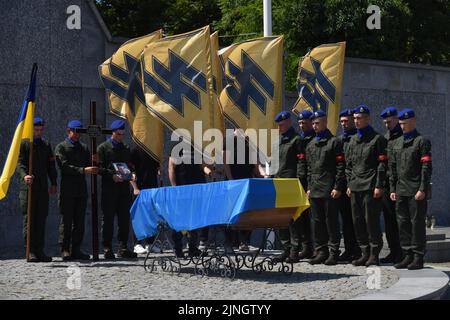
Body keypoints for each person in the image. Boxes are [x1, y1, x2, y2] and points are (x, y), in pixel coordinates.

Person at [389, 108, 432, 270]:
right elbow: (393, 168)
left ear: (413, 121)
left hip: (416, 191)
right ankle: (407, 255)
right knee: (403, 223)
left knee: (417, 224)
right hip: (400, 190)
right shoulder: (397, 143)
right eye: (400, 124)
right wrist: (393, 188)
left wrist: (423, 188)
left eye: (405, 123)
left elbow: (426, 167)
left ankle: (418, 257)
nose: (403, 126)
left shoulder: (421, 141)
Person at [346, 105, 387, 266]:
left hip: (370, 186)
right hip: (355, 186)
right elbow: (349, 165)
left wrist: (379, 185)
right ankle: (364, 252)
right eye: (355, 118)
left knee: (371, 220)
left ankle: (374, 254)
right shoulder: (352, 140)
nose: (356, 121)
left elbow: (382, 165)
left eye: (359, 118)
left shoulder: (377, 139)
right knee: (358, 221)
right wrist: (349, 183)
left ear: (368, 119)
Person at [305, 110, 345, 265]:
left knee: (331, 222)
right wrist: (309, 187)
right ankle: (321, 251)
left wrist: (337, 186)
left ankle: (334, 251)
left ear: (325, 122)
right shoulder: (311, 145)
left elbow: (340, 166)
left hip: (329, 189)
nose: (315, 126)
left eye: (317, 123)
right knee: (317, 222)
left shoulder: (334, 142)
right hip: (315, 189)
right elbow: (309, 169)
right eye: (313, 123)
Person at [17, 117, 57, 262]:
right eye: (36, 129)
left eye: (41, 130)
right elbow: (20, 163)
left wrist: (53, 183)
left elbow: (51, 166)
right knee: (30, 220)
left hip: (42, 188)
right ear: (31, 129)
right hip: (28, 189)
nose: (38, 132)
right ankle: (30, 250)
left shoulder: (46, 145)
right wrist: (24, 175)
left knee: (41, 220)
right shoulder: (25, 144)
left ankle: (40, 250)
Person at [55, 120, 96, 261]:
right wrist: (83, 170)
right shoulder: (61, 147)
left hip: (81, 191)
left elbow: (89, 165)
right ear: (68, 131)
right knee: (66, 221)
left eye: (79, 132)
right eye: (75, 131)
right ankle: (65, 249)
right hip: (67, 190)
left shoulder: (83, 148)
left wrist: (94, 161)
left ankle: (76, 249)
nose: (77, 135)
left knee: (79, 222)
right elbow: (64, 167)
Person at [97, 120, 137, 259]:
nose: (121, 137)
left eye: (123, 134)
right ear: (113, 133)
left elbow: (129, 165)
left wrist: (132, 173)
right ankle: (107, 248)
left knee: (124, 219)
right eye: (119, 134)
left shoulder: (125, 148)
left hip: (123, 190)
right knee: (108, 219)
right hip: (109, 189)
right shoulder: (103, 148)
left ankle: (123, 247)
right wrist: (111, 176)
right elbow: (99, 168)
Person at [168, 141, 212, 258]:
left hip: (197, 188)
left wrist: (209, 171)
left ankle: (193, 248)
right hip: (183, 189)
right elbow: (171, 167)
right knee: (180, 219)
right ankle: (178, 248)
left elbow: (201, 165)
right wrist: (174, 187)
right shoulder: (177, 147)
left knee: (194, 219)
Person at [272, 111, 305, 263]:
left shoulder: (297, 139)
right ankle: (285, 249)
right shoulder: (278, 140)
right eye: (278, 125)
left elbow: (301, 163)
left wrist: (299, 181)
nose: (280, 127)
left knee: (293, 219)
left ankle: (294, 250)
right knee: (281, 219)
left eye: (282, 124)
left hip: (291, 183)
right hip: (279, 183)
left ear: (289, 123)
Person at [223, 129, 263, 251]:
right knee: (233, 213)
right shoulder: (228, 142)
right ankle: (231, 243)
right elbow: (226, 163)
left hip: (247, 183)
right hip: (234, 183)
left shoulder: (249, 145)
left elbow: (256, 165)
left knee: (247, 213)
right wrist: (231, 180)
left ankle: (245, 242)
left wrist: (262, 176)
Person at [336, 109, 361, 262]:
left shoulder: (358, 138)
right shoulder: (340, 140)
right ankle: (349, 249)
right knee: (345, 220)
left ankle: (359, 250)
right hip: (343, 184)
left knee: (357, 219)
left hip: (356, 184)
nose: (344, 124)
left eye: (347, 121)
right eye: (342, 122)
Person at [379, 107, 403, 264]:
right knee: (389, 221)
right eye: (385, 122)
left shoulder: (404, 137)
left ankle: (403, 253)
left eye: (389, 121)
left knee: (402, 221)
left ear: (396, 119)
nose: (387, 125)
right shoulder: (385, 138)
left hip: (402, 185)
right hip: (388, 185)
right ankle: (394, 251)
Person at [129, 144, 160, 254]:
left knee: (151, 216)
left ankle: (150, 243)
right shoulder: (134, 150)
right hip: (140, 188)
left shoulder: (153, 150)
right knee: (138, 216)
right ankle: (137, 243)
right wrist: (135, 187)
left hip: (152, 188)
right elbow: (130, 171)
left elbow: (157, 170)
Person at [295, 110, 315, 259]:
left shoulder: (315, 139)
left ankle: (320, 248)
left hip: (314, 183)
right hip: (300, 182)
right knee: (302, 217)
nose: (302, 125)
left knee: (316, 219)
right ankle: (306, 247)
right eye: (300, 122)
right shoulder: (299, 139)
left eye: (304, 122)